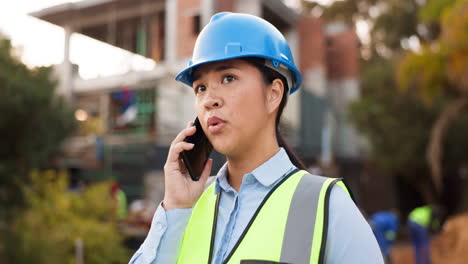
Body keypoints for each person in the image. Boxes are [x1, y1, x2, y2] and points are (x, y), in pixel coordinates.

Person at [129, 12, 382, 264]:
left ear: (273, 94)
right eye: (200, 88)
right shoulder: (186, 207)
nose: (209, 100)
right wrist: (175, 208)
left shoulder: (329, 207)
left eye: (228, 78)